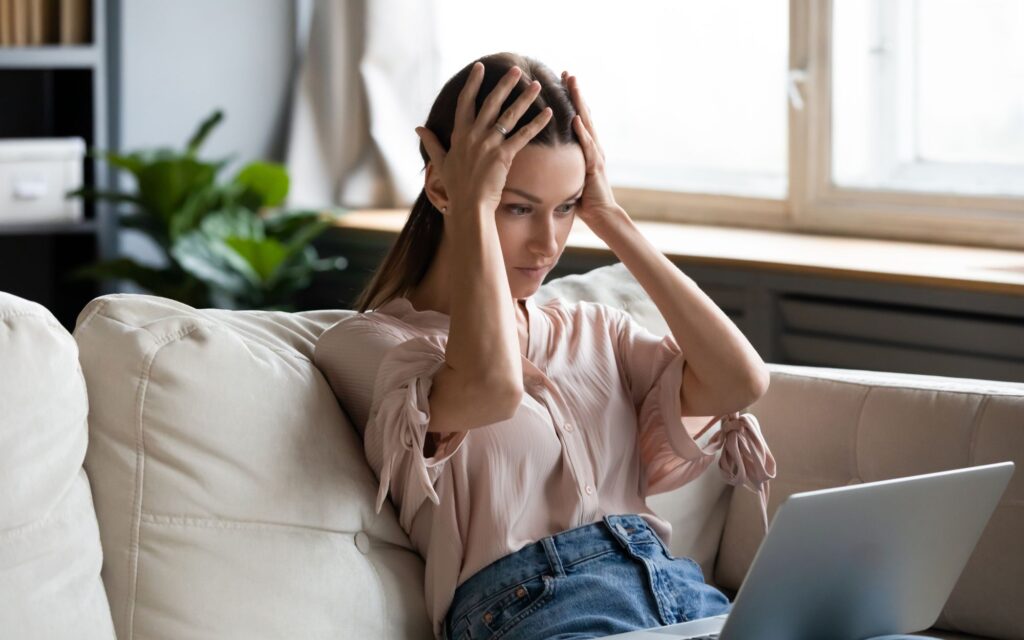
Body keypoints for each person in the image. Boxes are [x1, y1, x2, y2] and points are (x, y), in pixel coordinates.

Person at [315, 52, 926, 640]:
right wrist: (473, 200)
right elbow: (491, 388)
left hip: (677, 592)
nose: (547, 243)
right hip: (533, 611)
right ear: (441, 188)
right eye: (517, 208)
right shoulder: (365, 346)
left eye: (566, 208)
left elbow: (743, 382)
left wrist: (610, 217)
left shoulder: (594, 329)